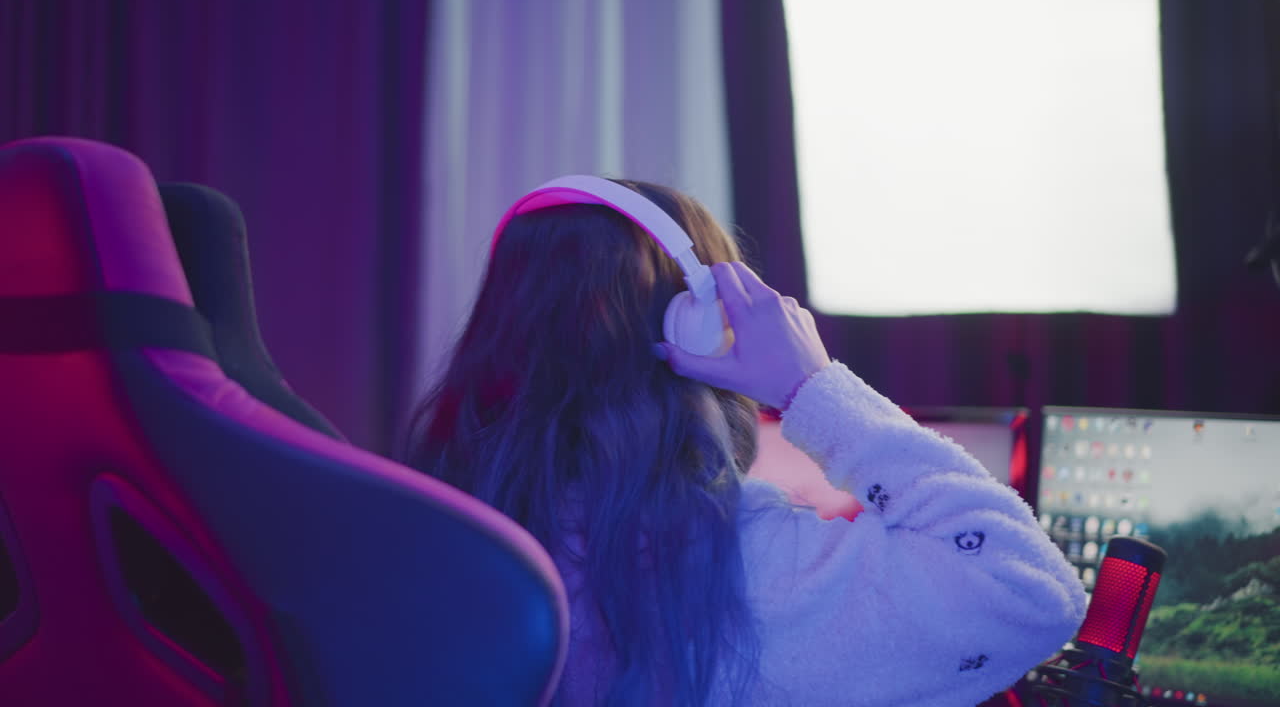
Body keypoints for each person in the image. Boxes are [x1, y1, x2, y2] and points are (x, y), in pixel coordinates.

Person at [408, 179, 1086, 706]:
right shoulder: (755, 571)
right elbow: (1029, 593)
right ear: (695, 331)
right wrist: (810, 385)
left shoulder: (414, 534)